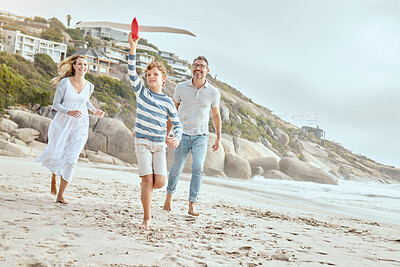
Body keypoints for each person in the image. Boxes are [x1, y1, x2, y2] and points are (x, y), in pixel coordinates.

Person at [128, 33, 182, 230]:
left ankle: (146, 187)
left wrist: (176, 137)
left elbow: (177, 125)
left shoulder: (168, 101)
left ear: (163, 79)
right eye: (148, 75)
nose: (151, 77)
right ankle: (147, 218)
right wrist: (133, 47)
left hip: (159, 145)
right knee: (147, 180)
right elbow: (131, 72)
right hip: (142, 141)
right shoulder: (141, 93)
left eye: (155, 75)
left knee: (158, 182)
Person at [36, 55, 104, 204]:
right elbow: (56, 105)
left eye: (85, 65)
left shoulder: (90, 86)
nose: (83, 67)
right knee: (57, 154)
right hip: (62, 124)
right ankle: (54, 175)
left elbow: (84, 101)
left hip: (80, 125)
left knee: (72, 158)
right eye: (80, 64)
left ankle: (61, 195)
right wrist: (69, 112)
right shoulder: (65, 83)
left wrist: (94, 110)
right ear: (74, 66)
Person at [163, 55, 222, 216]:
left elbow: (216, 115)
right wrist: (167, 133)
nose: (198, 68)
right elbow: (172, 111)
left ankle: (192, 203)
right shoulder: (181, 87)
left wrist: (218, 137)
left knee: (198, 168)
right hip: (181, 133)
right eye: (196, 65)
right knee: (176, 169)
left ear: (207, 70)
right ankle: (169, 196)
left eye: (202, 66)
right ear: (192, 68)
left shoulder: (213, 92)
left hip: (201, 136)